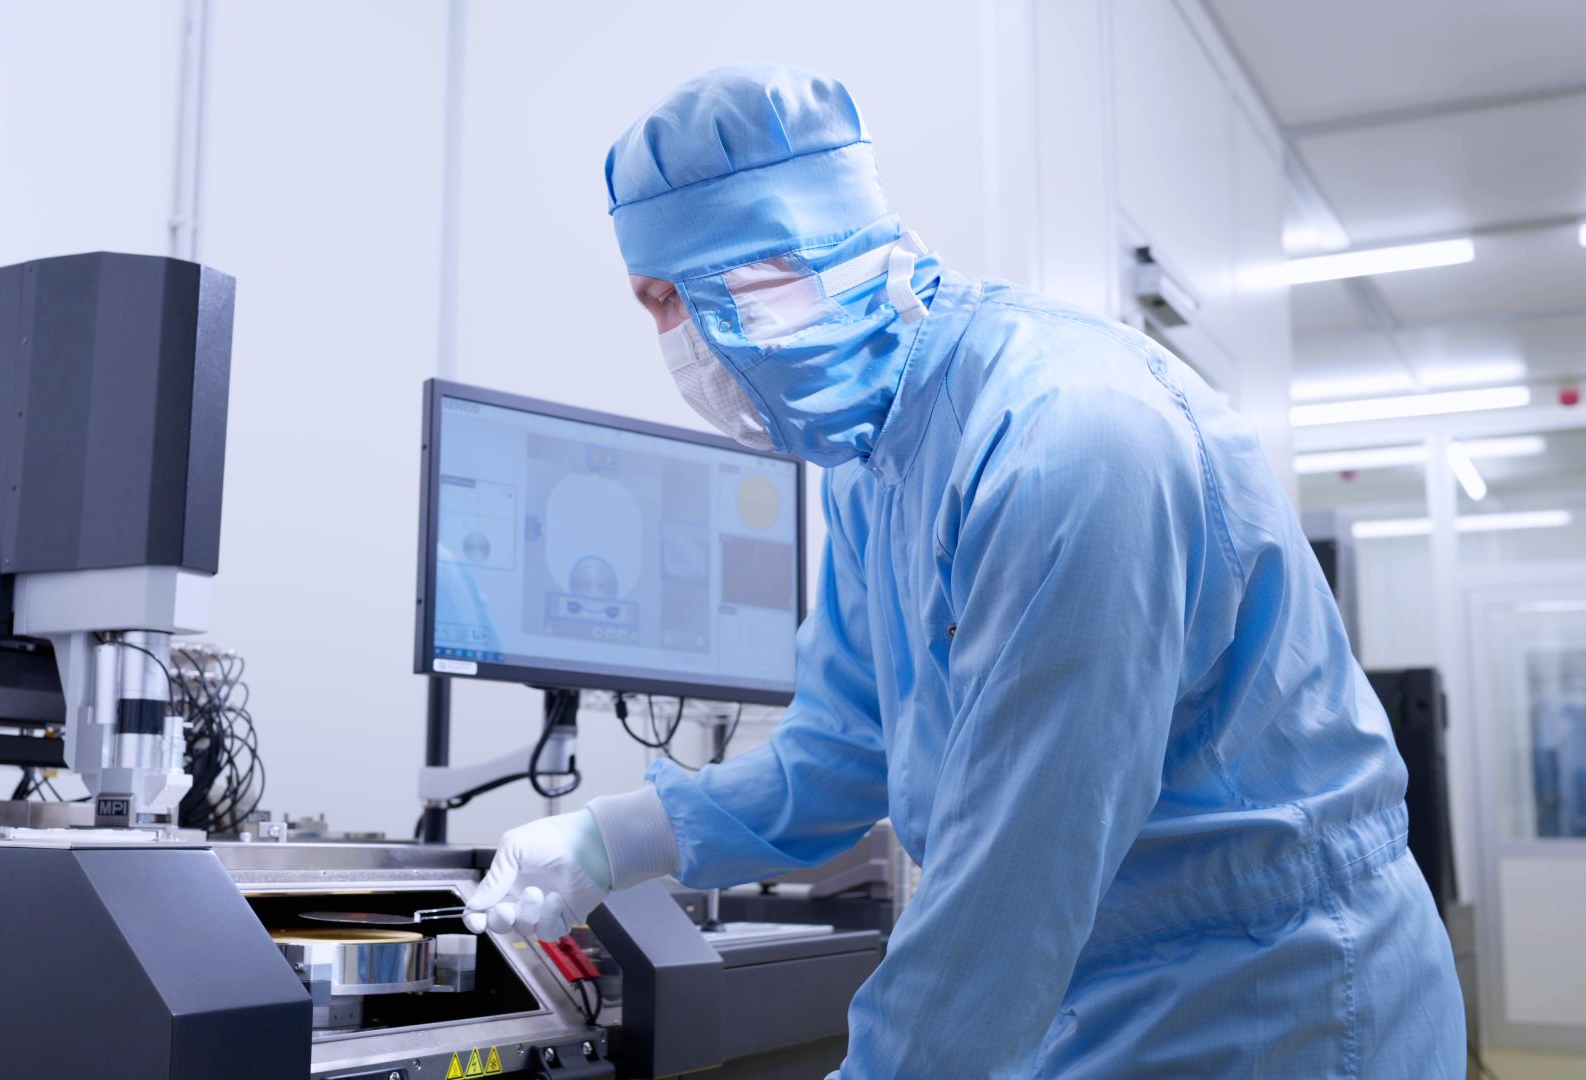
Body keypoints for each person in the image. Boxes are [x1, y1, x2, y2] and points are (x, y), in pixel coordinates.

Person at [464, 63, 1464, 1077]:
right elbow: (843, 751)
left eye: (671, 299)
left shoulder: (1070, 441)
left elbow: (1016, 881)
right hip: (1103, 984)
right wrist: (609, 840)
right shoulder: (874, 464)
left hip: (1276, 993)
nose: (672, 343)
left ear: (766, 272)